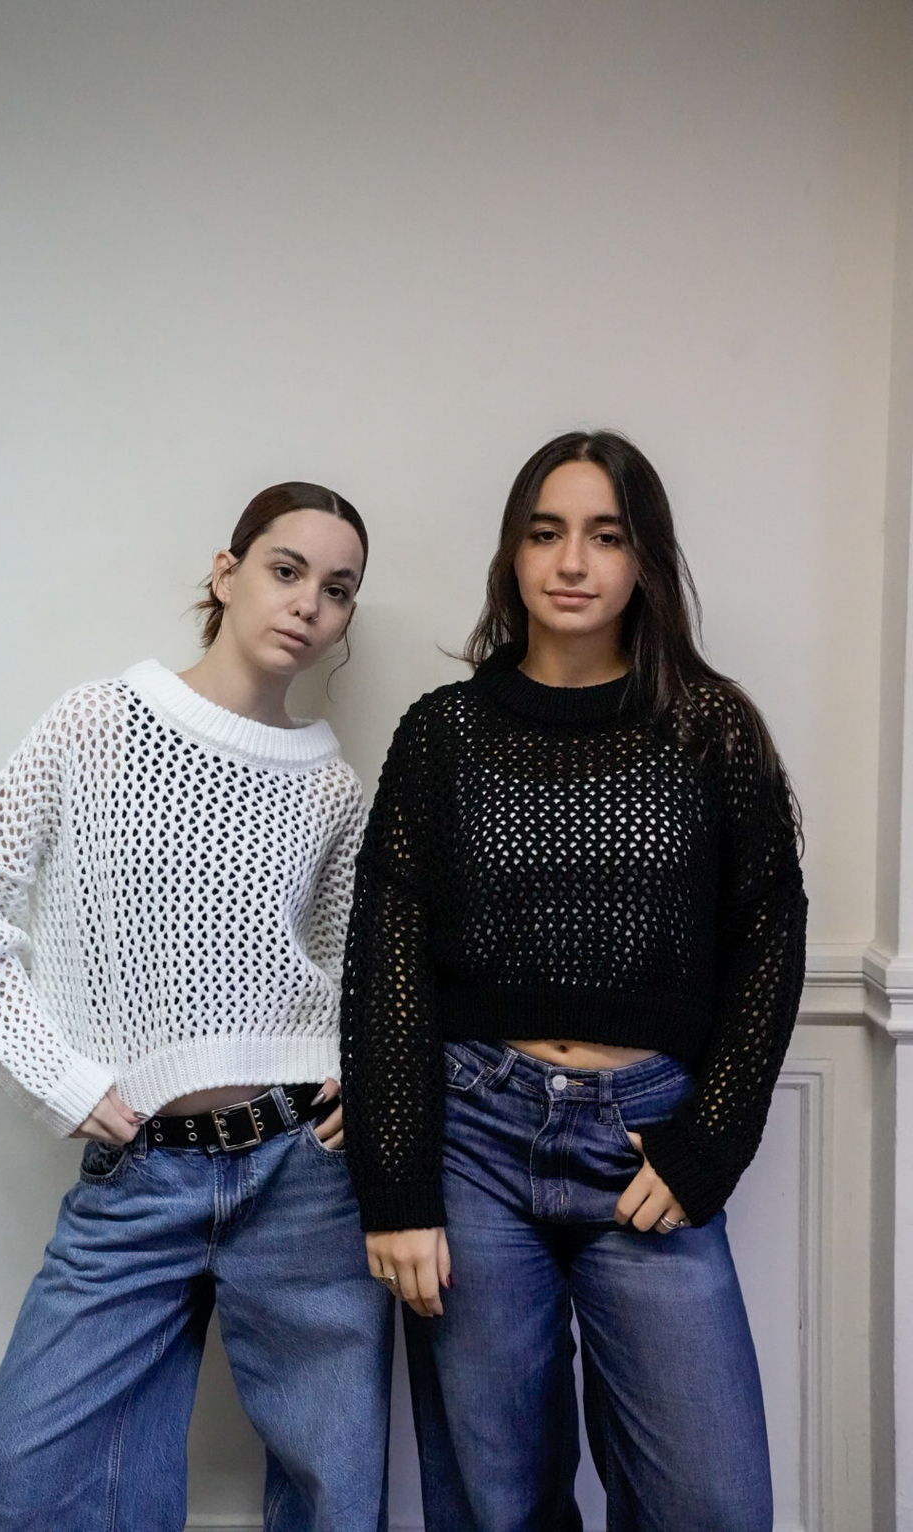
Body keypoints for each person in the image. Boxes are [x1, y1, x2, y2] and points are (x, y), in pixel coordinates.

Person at [340, 432, 807, 1532]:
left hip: (646, 1141)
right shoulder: (444, 732)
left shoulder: (709, 726)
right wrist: (398, 1190)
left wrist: (710, 1144)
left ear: (645, 558)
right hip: (474, 1138)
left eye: (605, 535)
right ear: (512, 554)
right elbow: (387, 954)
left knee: (711, 1503)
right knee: (496, 1502)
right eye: (545, 532)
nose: (572, 562)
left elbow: (769, 933)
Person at [0, 482, 393, 1532]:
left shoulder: (331, 785)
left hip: (303, 1174)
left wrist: (360, 1073)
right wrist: (57, 1076)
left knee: (334, 1491)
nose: (307, 604)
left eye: (337, 589)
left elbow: (355, 960)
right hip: (141, 1169)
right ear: (227, 573)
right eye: (285, 570)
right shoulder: (97, 720)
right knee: (16, 1486)